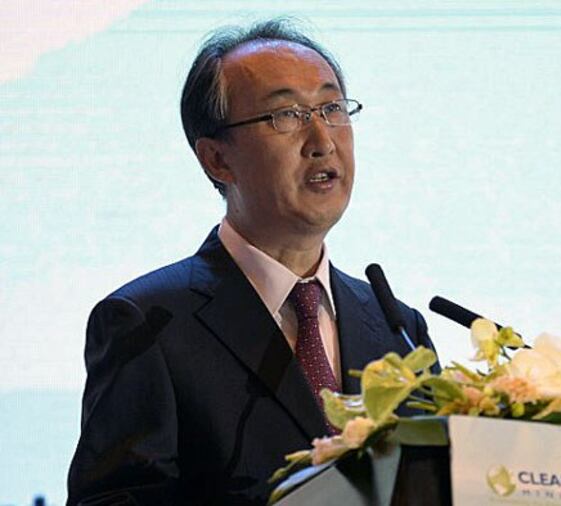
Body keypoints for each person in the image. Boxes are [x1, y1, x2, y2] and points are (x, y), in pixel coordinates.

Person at [67, 18, 438, 506]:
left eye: (331, 108)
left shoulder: (397, 328)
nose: (322, 140)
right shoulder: (148, 322)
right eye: (285, 115)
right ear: (217, 160)